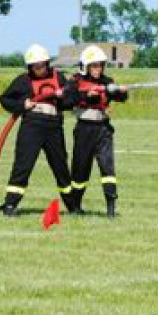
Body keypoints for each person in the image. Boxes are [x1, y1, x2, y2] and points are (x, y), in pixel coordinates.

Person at [0, 44, 76, 216]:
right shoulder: (23, 81)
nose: (38, 69)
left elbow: (70, 103)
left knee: (61, 167)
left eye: (41, 65)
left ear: (47, 63)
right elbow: (4, 99)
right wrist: (22, 105)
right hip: (31, 126)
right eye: (35, 66)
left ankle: (73, 206)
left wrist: (64, 97)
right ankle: (10, 205)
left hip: (54, 127)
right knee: (23, 165)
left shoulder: (59, 78)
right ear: (30, 67)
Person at [64, 45, 128, 217]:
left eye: (100, 65)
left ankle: (111, 209)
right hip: (84, 129)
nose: (98, 69)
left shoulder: (106, 81)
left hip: (103, 129)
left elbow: (120, 97)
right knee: (80, 170)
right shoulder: (75, 81)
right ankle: (76, 206)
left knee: (108, 168)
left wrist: (121, 92)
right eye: (94, 65)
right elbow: (66, 101)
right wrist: (86, 97)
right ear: (85, 66)